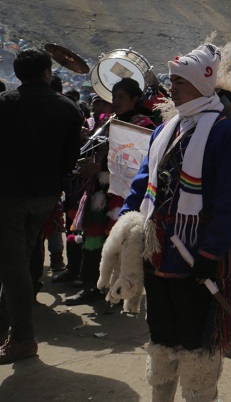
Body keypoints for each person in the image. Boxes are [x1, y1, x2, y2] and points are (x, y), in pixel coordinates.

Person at [121, 43, 231, 402]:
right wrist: (128, 224)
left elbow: (229, 202)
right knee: (161, 336)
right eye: (172, 80)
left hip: (198, 258)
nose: (171, 88)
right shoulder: (167, 129)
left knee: (197, 345)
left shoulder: (226, 134)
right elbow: (144, 182)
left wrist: (210, 252)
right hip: (158, 252)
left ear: (200, 84)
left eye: (179, 81)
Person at [0, 48, 82, 363]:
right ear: (47, 72)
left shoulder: (5, 104)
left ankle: (22, 339)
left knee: (14, 266)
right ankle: (8, 330)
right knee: (19, 259)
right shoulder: (68, 109)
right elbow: (70, 160)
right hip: (46, 196)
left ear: (19, 74)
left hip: (8, 197)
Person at [65, 78, 155, 305]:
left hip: (124, 194)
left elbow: (138, 162)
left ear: (135, 99)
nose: (115, 102)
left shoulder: (144, 126)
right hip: (99, 191)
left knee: (119, 243)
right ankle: (90, 286)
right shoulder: (107, 122)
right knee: (92, 240)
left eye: (121, 98)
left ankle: (116, 291)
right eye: (113, 97)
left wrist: (101, 167)